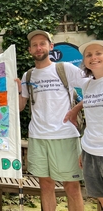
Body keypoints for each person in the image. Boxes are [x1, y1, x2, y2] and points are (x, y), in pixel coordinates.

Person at [16, 30, 88, 210]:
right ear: (30, 50)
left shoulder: (65, 69)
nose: (39, 48)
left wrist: (76, 108)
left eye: (42, 43)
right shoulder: (28, 76)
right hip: (38, 137)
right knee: (46, 186)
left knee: (71, 187)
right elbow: (19, 107)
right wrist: (17, 90)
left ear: (51, 46)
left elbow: (95, 86)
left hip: (65, 136)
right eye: (34, 45)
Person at [76, 40, 103, 210]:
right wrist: (83, 151)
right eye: (88, 55)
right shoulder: (87, 85)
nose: (93, 57)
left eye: (98, 53)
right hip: (90, 150)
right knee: (100, 197)